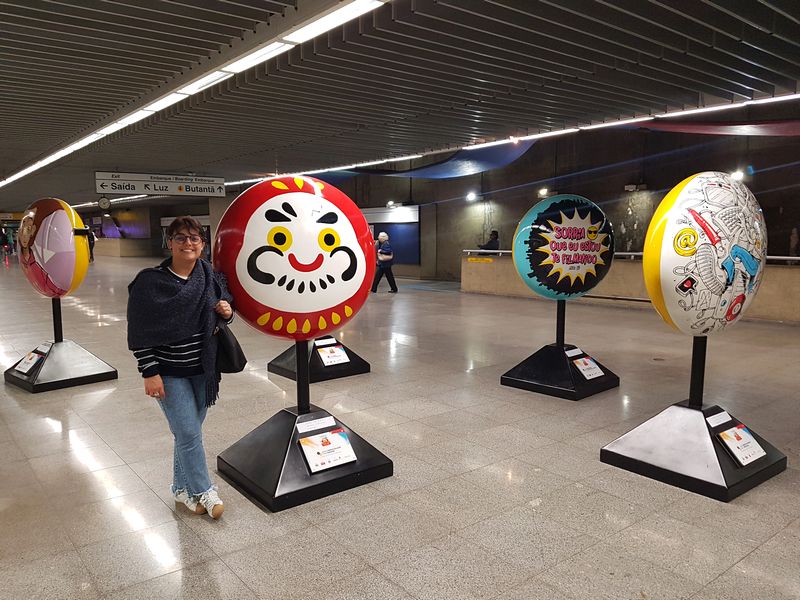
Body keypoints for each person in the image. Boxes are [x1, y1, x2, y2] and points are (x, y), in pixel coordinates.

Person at [127, 216, 233, 519]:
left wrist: (226, 310)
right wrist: (150, 372)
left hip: (203, 369)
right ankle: (205, 490)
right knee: (188, 432)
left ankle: (180, 489)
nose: (188, 243)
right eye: (181, 238)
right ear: (169, 243)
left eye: (194, 238)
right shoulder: (150, 282)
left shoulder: (209, 275)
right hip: (169, 372)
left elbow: (224, 305)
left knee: (188, 434)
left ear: (202, 245)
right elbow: (139, 331)